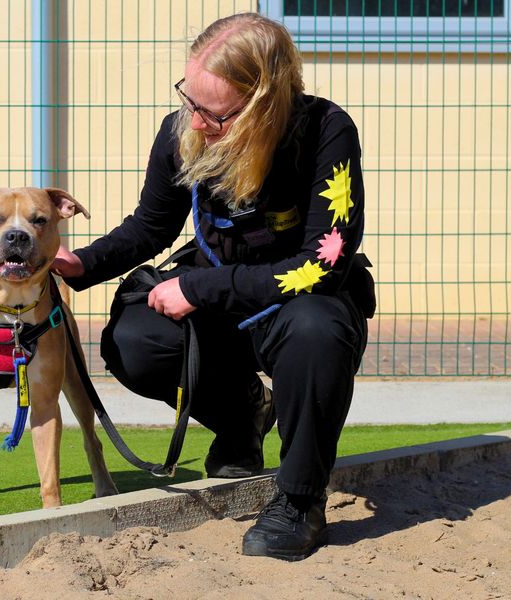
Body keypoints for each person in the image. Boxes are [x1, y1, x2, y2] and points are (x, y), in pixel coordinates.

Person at [52, 12, 372, 561]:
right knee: (136, 338)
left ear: (263, 103)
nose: (195, 122)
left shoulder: (325, 132)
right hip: (218, 297)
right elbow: (152, 225)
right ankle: (243, 416)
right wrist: (81, 262)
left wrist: (202, 288)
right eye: (188, 101)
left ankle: (298, 500)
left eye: (212, 112)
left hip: (299, 302)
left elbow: (322, 265)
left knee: (317, 331)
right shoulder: (184, 131)